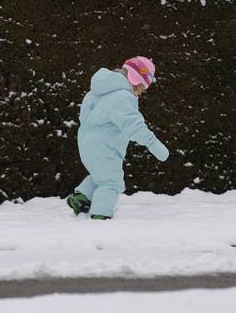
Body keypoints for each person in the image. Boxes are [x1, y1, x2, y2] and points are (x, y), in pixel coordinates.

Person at [67, 56, 170, 220]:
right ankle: (101, 215)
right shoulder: (122, 97)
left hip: (86, 143)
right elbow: (134, 126)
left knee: (101, 175)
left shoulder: (96, 91)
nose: (141, 92)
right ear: (135, 78)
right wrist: (153, 143)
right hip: (105, 146)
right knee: (111, 182)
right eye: (141, 87)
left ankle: (81, 199)